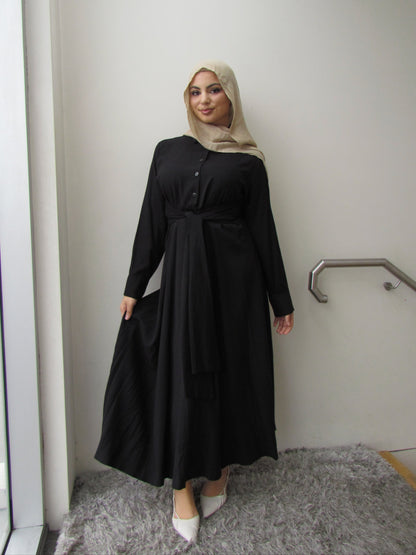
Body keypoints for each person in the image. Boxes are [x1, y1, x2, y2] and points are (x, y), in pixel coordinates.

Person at [95, 60, 294, 543]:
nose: (204, 99)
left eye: (214, 90)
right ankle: (181, 485)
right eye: (195, 91)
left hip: (235, 286)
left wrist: (280, 299)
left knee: (227, 376)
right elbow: (152, 221)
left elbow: (263, 230)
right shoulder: (168, 152)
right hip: (184, 283)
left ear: (231, 97)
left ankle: (219, 472)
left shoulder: (249, 161)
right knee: (181, 379)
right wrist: (134, 286)